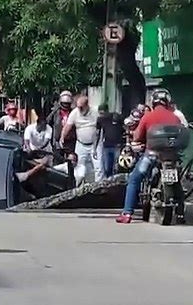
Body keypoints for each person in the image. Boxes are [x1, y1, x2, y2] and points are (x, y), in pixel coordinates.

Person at [116, 88, 184, 224]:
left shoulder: (148, 116)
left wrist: (137, 139)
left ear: (153, 102)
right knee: (177, 183)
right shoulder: (175, 118)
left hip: (152, 154)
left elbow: (137, 136)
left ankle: (127, 213)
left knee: (134, 179)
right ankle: (181, 213)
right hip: (171, 156)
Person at [61, 95, 103, 181]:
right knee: (79, 167)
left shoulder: (95, 112)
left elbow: (102, 126)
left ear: (87, 105)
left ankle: (100, 186)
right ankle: (80, 186)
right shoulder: (75, 112)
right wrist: (62, 137)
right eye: (78, 107)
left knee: (98, 167)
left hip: (95, 144)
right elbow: (67, 126)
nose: (79, 109)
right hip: (81, 144)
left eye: (81, 107)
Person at [94, 103, 124, 178]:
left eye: (102, 113)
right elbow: (97, 134)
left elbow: (124, 129)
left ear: (107, 111)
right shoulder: (100, 120)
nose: (101, 115)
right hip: (107, 146)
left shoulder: (116, 117)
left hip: (117, 146)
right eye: (100, 113)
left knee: (117, 167)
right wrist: (94, 148)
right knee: (107, 168)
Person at [47, 90, 75, 155]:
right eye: (64, 103)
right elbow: (48, 121)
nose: (66, 105)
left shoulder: (73, 112)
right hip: (57, 140)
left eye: (67, 104)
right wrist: (54, 111)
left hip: (70, 140)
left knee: (70, 159)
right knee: (58, 160)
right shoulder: (56, 112)